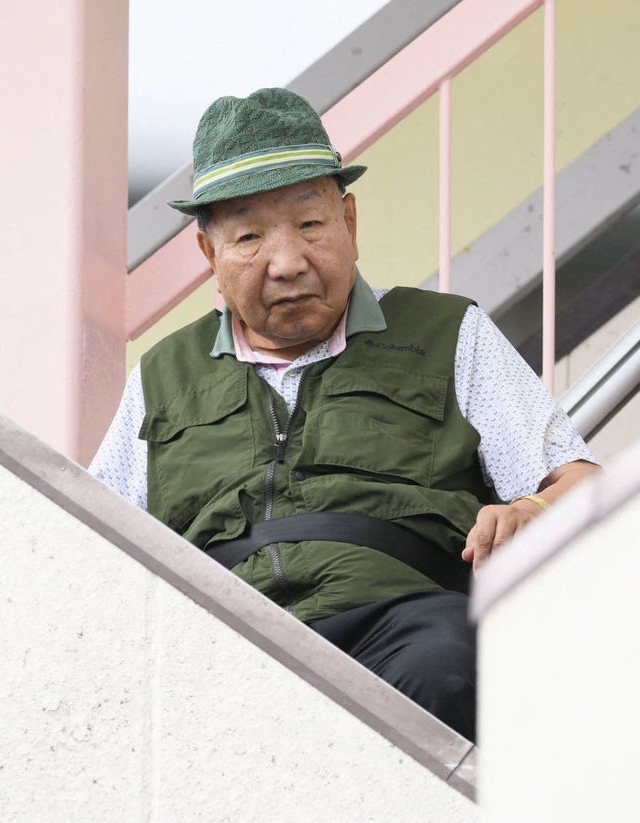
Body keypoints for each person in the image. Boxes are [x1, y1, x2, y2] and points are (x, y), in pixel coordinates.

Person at [90, 88, 599, 741]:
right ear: (209, 256)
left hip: (399, 620)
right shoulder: (162, 374)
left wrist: (529, 511)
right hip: (215, 641)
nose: (288, 262)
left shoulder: (448, 332)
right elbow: (94, 541)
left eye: (310, 225)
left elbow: (580, 482)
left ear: (349, 222)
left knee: (449, 665)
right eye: (248, 236)